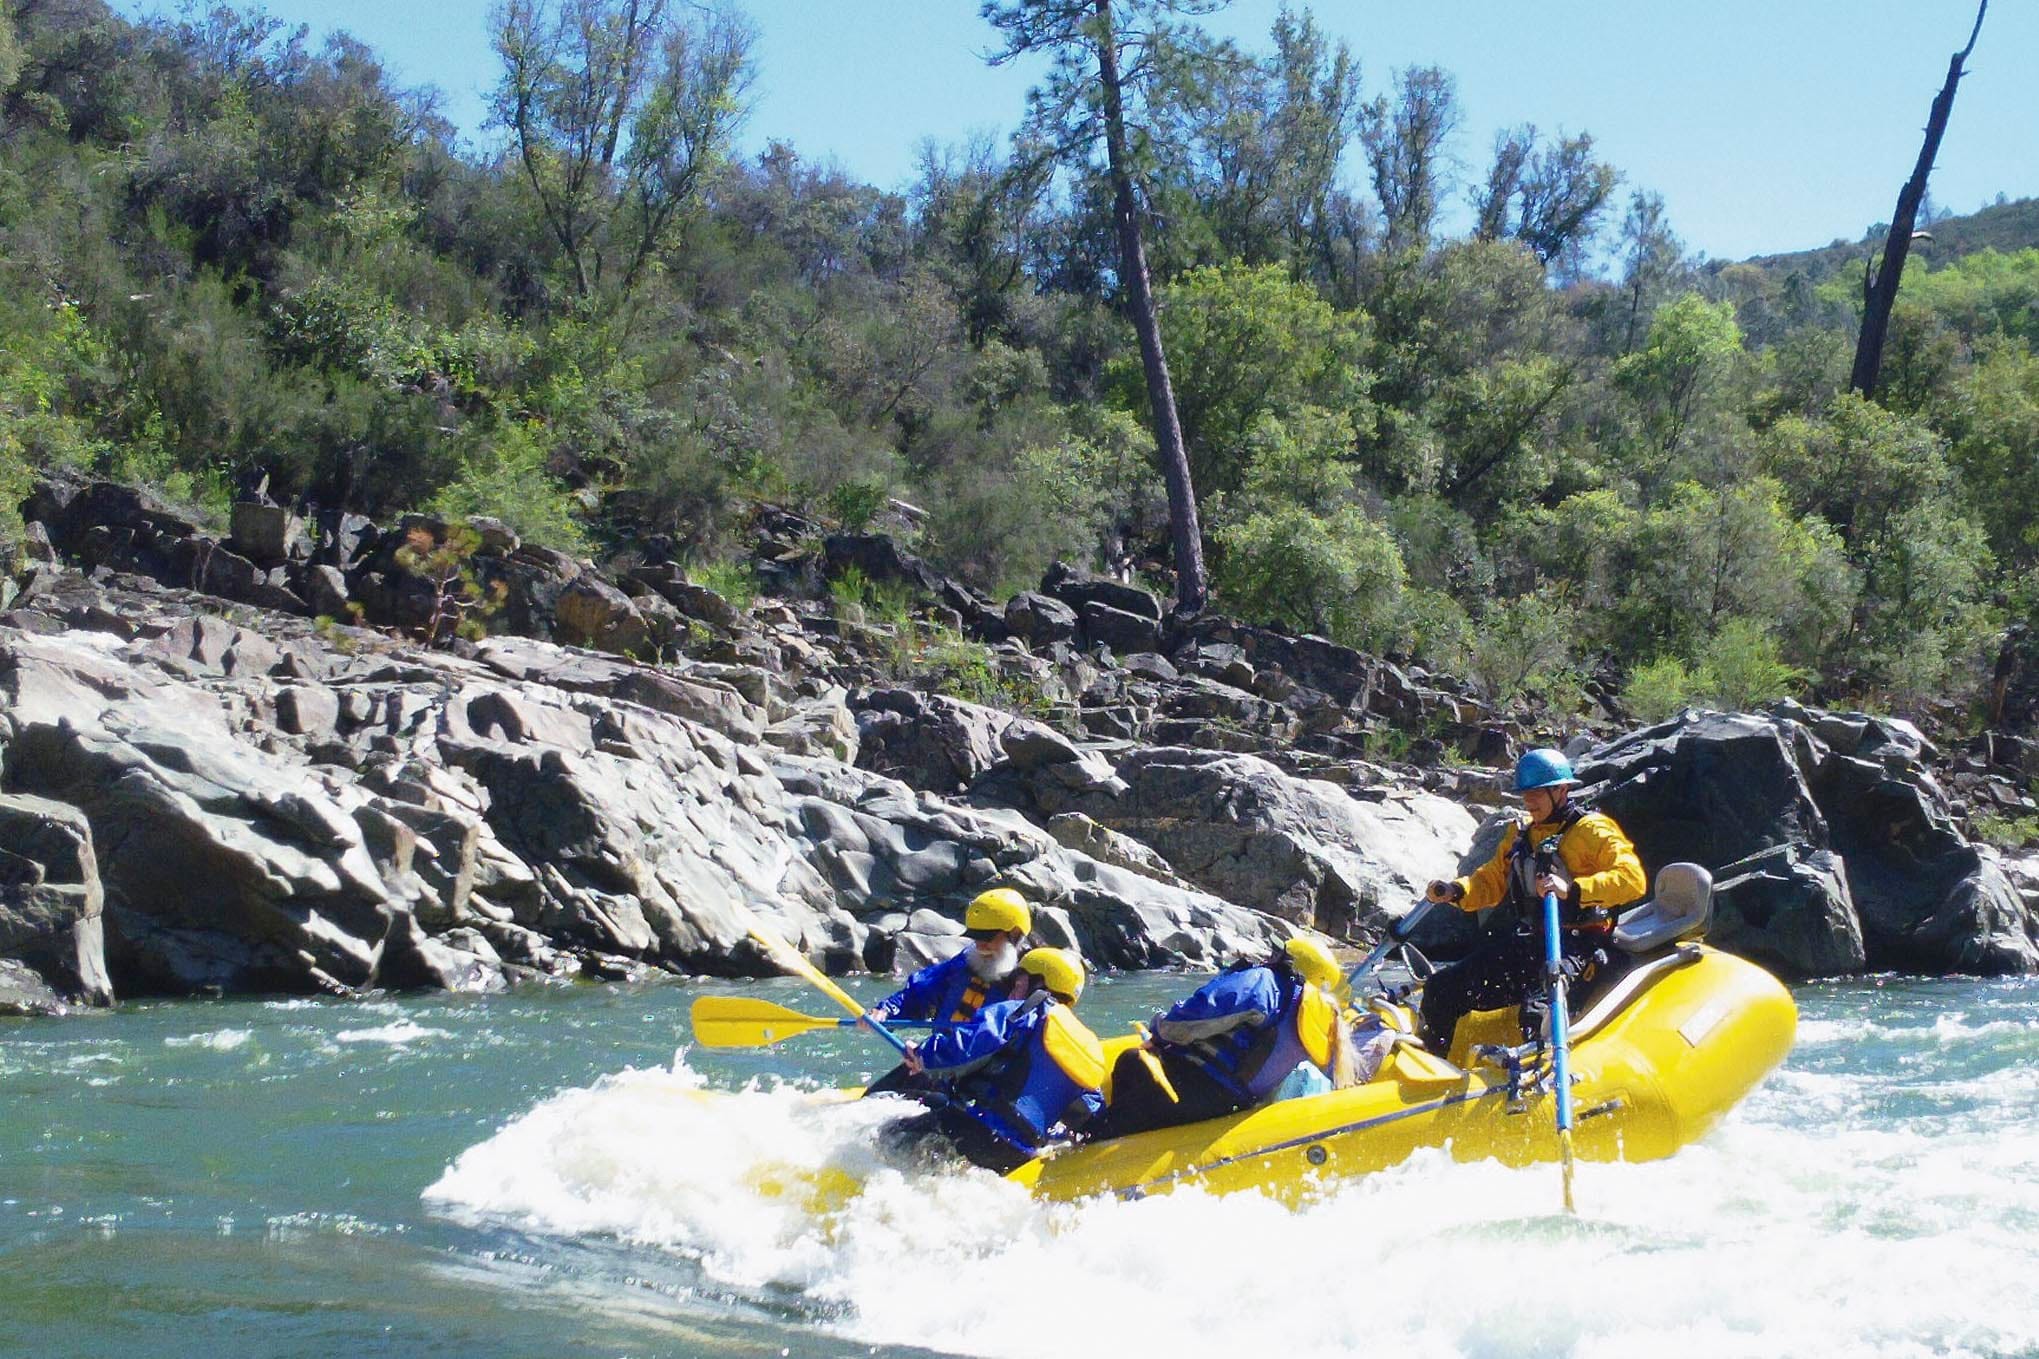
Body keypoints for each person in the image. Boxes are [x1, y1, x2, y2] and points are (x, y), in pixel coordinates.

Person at [1416, 748, 1647, 1059]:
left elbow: (1633, 878)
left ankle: (1538, 1081)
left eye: (1538, 793)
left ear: (1561, 790)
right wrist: (1456, 891)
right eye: (1526, 794)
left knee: (1538, 1013)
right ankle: (1430, 1074)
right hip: (1532, 943)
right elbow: (1490, 881)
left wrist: (1575, 890)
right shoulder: (1521, 834)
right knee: (1441, 988)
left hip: (1581, 945)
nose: (1530, 801)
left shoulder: (1592, 830)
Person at [1087, 936, 1353, 1142]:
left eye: (1278, 953)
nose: (1271, 956)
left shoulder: (1266, 982)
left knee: (1131, 1060)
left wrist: (1158, 1031)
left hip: (1192, 1088)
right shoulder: (1317, 1022)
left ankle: (1097, 1140)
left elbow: (1190, 1019)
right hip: (1227, 1105)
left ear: (1291, 964)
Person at [881, 948, 1106, 1174]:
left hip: (971, 1128)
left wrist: (922, 1055)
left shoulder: (1020, 1012)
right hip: (1018, 1154)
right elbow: (1089, 1112)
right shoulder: (1084, 1044)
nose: (1012, 990)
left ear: (1037, 984)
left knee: (887, 1134)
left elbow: (966, 1047)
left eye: (1018, 982)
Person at [861, 887, 1032, 1098]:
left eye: (988, 938)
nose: (980, 945)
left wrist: (929, 1057)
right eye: (976, 937)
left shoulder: (1032, 982)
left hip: (980, 1083)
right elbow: (919, 992)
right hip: (933, 1064)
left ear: (1014, 934)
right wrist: (885, 1012)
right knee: (869, 1101)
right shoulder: (966, 961)